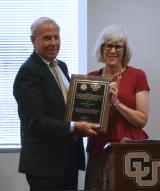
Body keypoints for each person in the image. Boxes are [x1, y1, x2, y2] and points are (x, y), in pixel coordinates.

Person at [13, 17, 99, 191]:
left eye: (56, 37)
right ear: (33, 40)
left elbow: (66, 108)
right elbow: (36, 122)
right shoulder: (28, 71)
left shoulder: (61, 66)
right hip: (45, 165)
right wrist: (75, 127)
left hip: (68, 160)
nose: (53, 43)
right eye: (47, 38)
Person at [85, 25, 150, 189]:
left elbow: (142, 119)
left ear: (124, 50)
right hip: (98, 150)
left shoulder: (137, 75)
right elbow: (84, 118)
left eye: (118, 46)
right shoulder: (90, 78)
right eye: (108, 45)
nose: (113, 50)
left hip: (129, 151)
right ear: (102, 48)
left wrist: (116, 102)